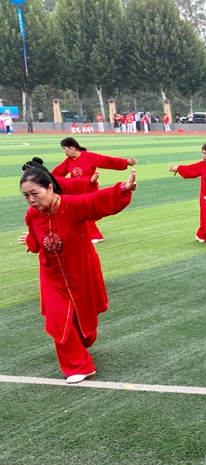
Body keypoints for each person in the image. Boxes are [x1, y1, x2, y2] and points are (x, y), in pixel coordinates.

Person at [19, 163, 137, 383]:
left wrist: (122, 189)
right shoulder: (32, 215)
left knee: (83, 318)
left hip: (81, 269)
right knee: (57, 318)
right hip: (51, 276)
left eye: (35, 193)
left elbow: (95, 202)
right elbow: (36, 243)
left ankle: (84, 338)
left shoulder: (72, 206)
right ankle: (78, 366)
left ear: (50, 188)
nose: (31, 199)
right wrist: (28, 241)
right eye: (26, 196)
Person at [51, 138, 136, 244]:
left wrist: (126, 162)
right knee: (79, 212)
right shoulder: (68, 162)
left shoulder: (89, 157)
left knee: (86, 210)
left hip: (89, 189)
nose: (64, 151)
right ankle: (85, 233)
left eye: (65, 148)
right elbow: (55, 174)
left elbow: (106, 161)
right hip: (76, 190)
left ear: (72, 147)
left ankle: (95, 235)